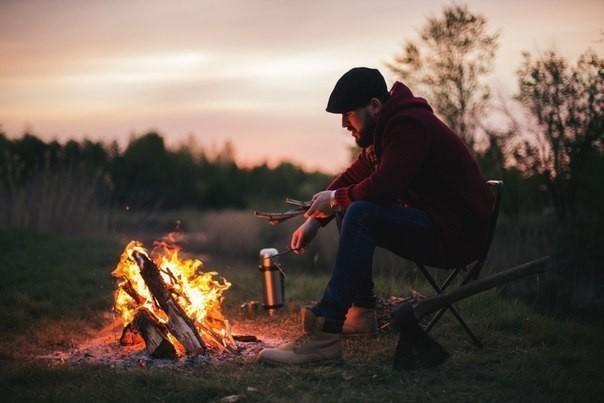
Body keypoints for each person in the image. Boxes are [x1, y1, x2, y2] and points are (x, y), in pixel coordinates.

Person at [258, 67, 494, 366]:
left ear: (374, 106)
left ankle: (325, 333)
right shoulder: (386, 132)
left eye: (348, 114)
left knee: (360, 211)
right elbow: (353, 177)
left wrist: (337, 200)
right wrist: (314, 220)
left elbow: (384, 188)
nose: (344, 123)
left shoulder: (409, 126)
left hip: (456, 236)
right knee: (354, 208)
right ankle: (361, 313)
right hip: (438, 225)